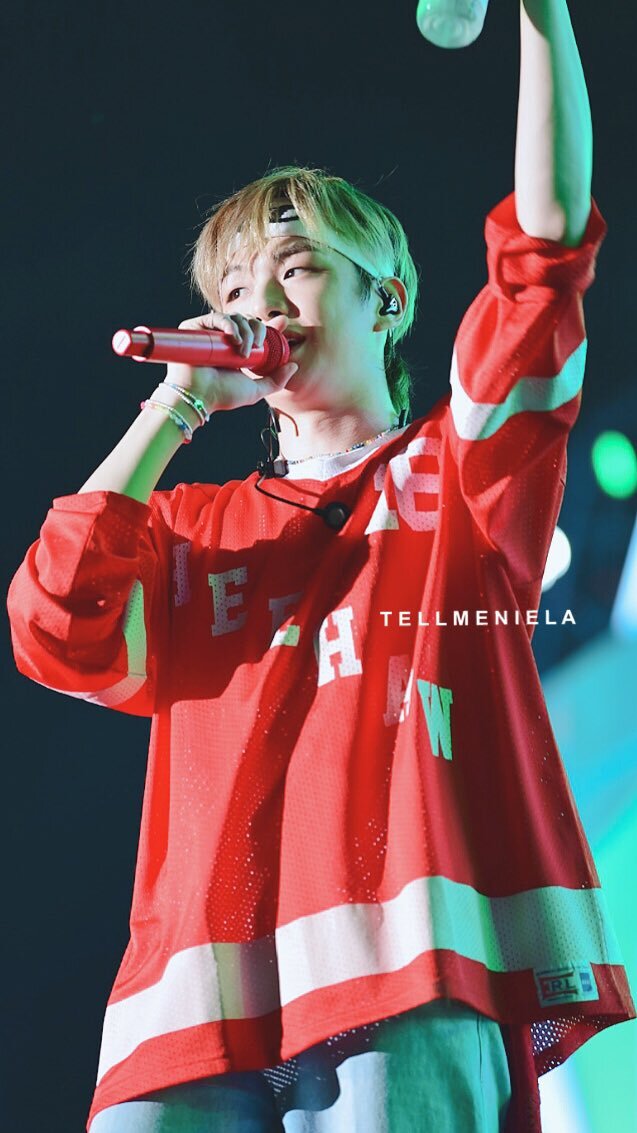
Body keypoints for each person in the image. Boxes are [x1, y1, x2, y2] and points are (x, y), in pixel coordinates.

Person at [7, 2, 635, 1131]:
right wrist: (172, 408)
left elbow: (542, 254)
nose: (260, 307)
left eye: (294, 270)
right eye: (234, 293)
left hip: (407, 974)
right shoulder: (190, 527)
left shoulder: (459, 474)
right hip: (187, 1014)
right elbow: (53, 623)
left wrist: (541, 13)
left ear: (386, 299)